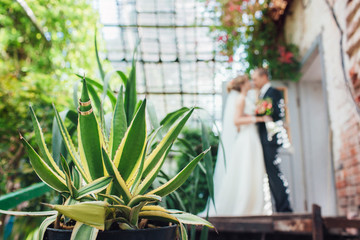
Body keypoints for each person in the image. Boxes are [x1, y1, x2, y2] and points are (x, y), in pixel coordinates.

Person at [201, 75, 272, 216]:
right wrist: (259, 118)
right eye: (248, 81)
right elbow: (236, 121)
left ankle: (255, 205)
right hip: (247, 138)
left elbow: (242, 116)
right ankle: (244, 205)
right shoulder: (240, 99)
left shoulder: (246, 98)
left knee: (253, 169)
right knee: (246, 169)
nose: (251, 83)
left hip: (252, 136)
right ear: (242, 85)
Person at [252, 68, 292, 213]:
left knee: (273, 172)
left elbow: (278, 113)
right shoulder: (261, 94)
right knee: (270, 174)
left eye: (255, 78)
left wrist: (263, 113)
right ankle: (279, 207)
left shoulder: (274, 92)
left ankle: (284, 208)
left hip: (270, 138)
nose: (254, 82)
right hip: (262, 138)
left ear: (264, 77)